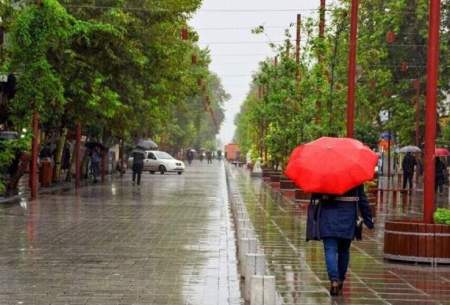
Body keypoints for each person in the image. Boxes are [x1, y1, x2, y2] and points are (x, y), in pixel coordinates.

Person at [313, 185, 374, 296]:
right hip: (348, 216)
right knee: (344, 251)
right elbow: (362, 198)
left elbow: (316, 195)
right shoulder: (354, 175)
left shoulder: (325, 174)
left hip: (328, 216)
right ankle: (340, 279)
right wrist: (368, 218)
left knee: (330, 249)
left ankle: (334, 280)